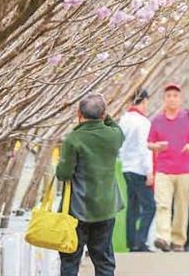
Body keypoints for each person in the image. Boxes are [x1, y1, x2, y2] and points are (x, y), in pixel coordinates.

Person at [56, 93, 124, 276]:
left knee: (70, 260)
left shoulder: (73, 139)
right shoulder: (114, 136)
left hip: (78, 210)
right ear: (103, 115)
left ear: (79, 113)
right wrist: (105, 115)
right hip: (106, 209)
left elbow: (63, 174)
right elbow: (116, 128)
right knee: (104, 262)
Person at [147, 82, 189, 252]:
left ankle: (178, 241)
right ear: (164, 99)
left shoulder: (188, 116)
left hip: (185, 169)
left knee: (182, 206)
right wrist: (156, 146)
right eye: (168, 96)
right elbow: (149, 144)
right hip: (163, 170)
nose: (172, 99)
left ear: (180, 99)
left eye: (175, 96)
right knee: (163, 205)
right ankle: (163, 238)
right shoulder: (157, 120)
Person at [118, 88, 156, 253]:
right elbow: (144, 148)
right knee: (150, 206)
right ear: (144, 101)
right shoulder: (142, 122)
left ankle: (132, 242)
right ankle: (140, 242)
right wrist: (149, 171)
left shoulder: (124, 119)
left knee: (133, 206)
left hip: (126, 167)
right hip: (140, 169)